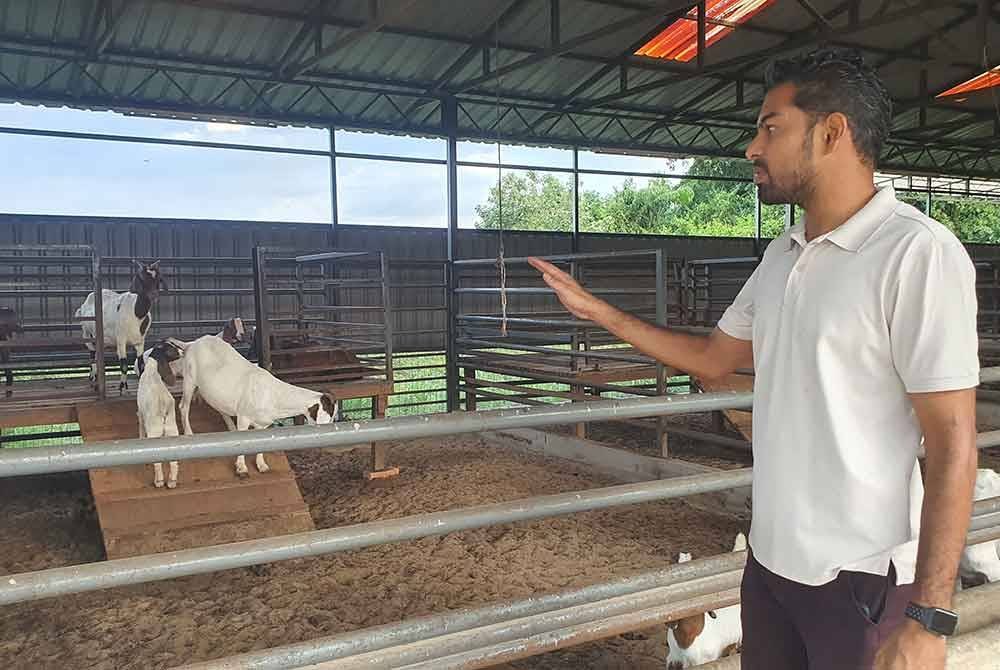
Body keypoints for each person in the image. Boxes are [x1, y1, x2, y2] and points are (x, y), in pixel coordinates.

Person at [529, 47, 979, 670]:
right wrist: (600, 313)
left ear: (831, 132)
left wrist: (929, 620)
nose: (752, 147)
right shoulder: (782, 255)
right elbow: (714, 359)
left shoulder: (916, 254)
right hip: (769, 569)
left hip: (862, 581)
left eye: (771, 128)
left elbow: (954, 440)